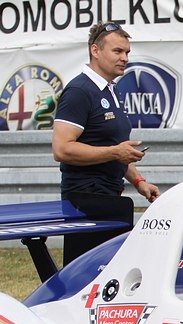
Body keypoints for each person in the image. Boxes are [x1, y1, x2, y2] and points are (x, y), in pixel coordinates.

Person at [52, 22, 160, 262]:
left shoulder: (111, 90)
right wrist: (115, 153)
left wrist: (139, 182)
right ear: (95, 50)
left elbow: (115, 147)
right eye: (117, 51)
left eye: (127, 52)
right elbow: (62, 149)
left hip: (109, 197)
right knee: (87, 273)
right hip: (86, 200)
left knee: (111, 271)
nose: (124, 58)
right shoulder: (79, 90)